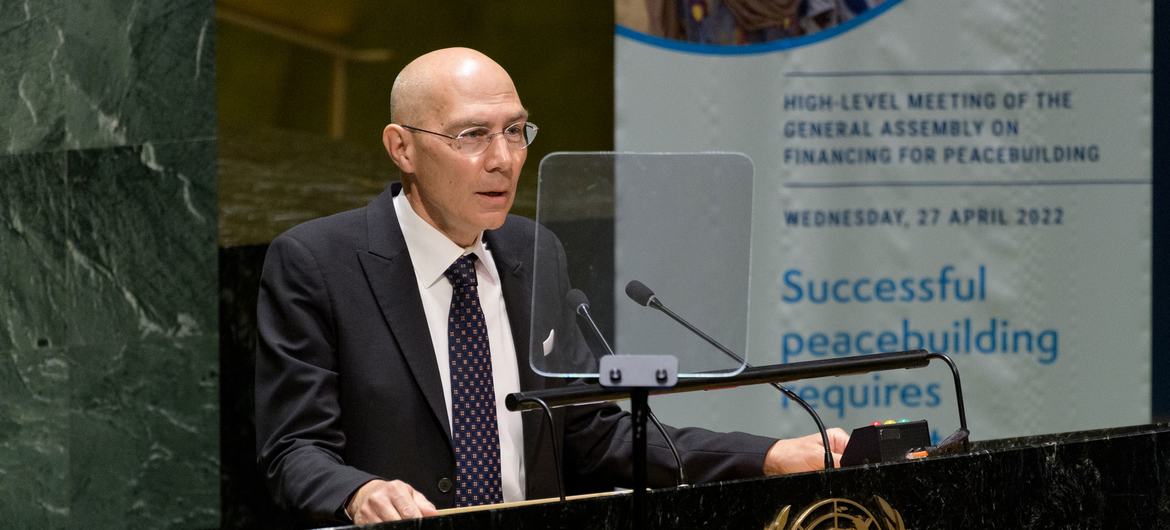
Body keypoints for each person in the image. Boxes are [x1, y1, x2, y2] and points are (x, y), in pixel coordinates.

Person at [254, 47, 849, 526]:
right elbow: (293, 451)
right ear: (401, 146)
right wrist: (361, 493)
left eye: (515, 131)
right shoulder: (318, 263)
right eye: (472, 136)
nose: (504, 159)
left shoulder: (532, 252)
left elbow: (590, 432)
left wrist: (767, 458)